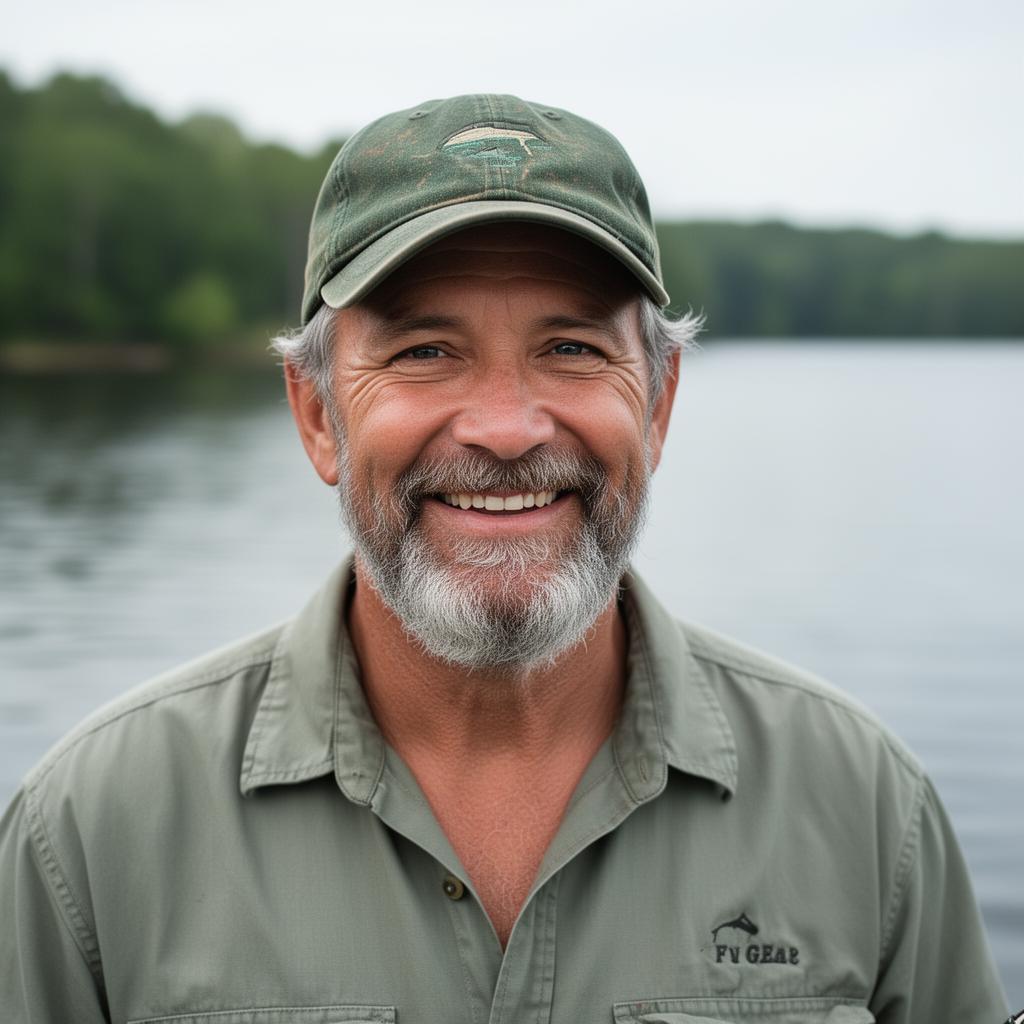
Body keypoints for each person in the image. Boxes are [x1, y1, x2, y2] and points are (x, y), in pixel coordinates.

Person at [0, 94, 1008, 1024]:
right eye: (424, 352)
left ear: (657, 405)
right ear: (316, 416)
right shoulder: (87, 833)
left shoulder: (864, 805)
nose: (507, 427)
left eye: (571, 348)